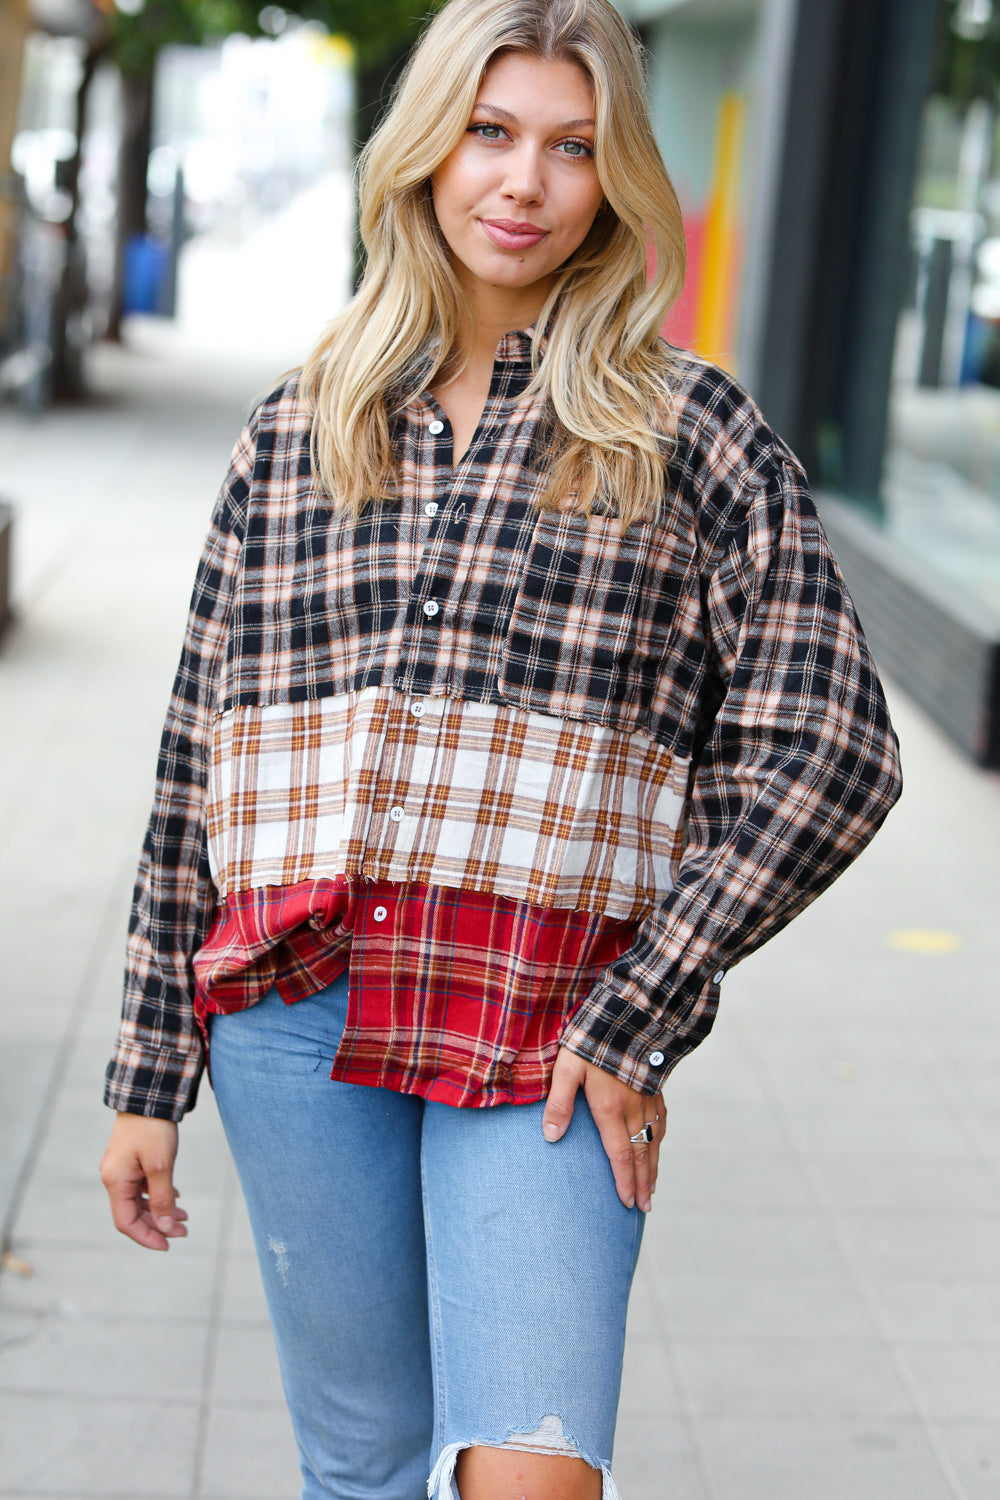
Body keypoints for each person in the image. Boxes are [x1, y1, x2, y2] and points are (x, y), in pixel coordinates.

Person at [99, 2, 903, 1497]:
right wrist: (151, 1068)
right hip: (294, 1014)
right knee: (363, 1466)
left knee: (527, 1477)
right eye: (490, 131)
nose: (523, 182)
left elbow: (833, 747)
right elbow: (195, 767)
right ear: (423, 152)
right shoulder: (302, 429)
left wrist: (645, 995)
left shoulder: (688, 429)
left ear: (616, 182)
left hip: (548, 1030)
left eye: (573, 147)